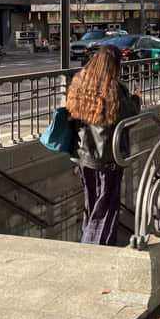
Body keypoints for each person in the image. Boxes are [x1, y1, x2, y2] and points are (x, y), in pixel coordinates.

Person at [66, 44, 141, 245]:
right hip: (110, 156)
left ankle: (88, 240)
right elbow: (130, 114)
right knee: (107, 204)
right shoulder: (114, 88)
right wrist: (136, 99)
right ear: (115, 65)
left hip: (84, 156)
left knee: (91, 203)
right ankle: (96, 246)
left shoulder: (79, 83)